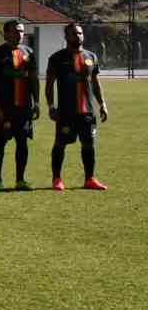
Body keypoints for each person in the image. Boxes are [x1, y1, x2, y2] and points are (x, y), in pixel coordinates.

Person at [46, 21, 109, 190]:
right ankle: (56, 179)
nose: (78, 36)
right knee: (60, 143)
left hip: (87, 112)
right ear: (66, 37)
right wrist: (51, 107)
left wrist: (102, 104)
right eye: (74, 33)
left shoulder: (91, 57)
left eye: (80, 33)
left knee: (88, 144)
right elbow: (49, 85)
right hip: (66, 112)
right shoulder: (56, 58)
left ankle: (90, 179)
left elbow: (95, 83)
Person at [0, 19, 39, 190]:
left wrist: (36, 102)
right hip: (5, 107)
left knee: (22, 142)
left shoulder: (28, 52)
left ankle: (20, 180)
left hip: (24, 107)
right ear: (6, 33)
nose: (19, 34)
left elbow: (33, 79)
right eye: (16, 31)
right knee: (1, 141)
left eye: (21, 31)